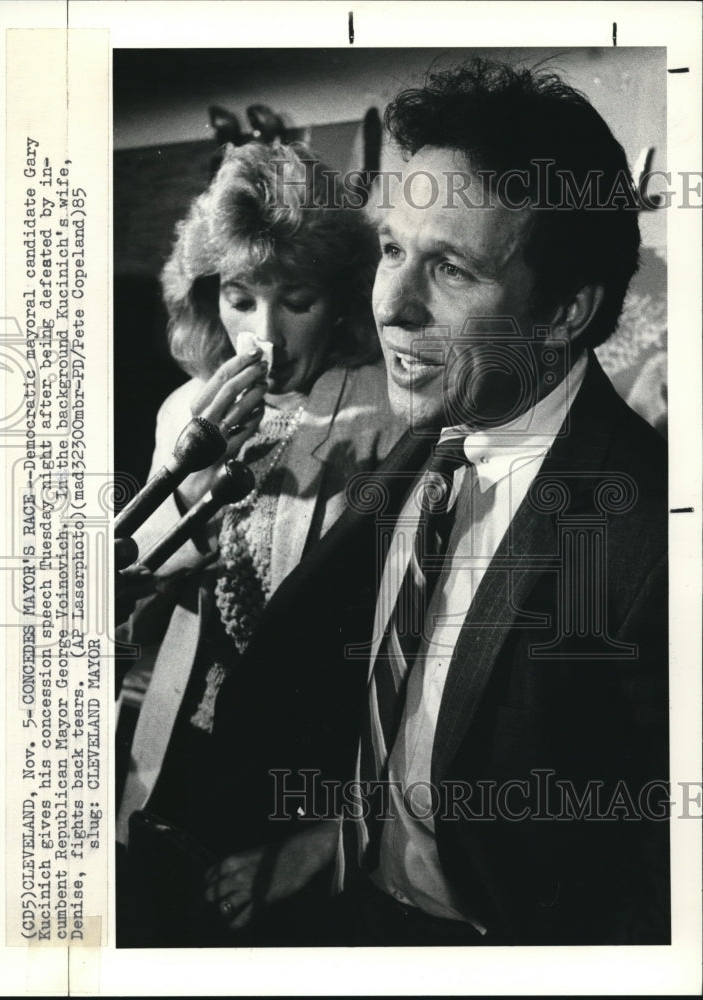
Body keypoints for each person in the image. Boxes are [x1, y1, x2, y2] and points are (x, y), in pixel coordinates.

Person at [204, 59, 669, 946]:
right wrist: (332, 841)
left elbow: (658, 909)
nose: (391, 305)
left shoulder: (651, 541)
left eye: (451, 269)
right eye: (390, 249)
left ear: (566, 309)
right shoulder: (438, 425)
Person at [115, 140, 404, 946]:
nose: (262, 336)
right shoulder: (185, 412)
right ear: (211, 299)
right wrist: (199, 476)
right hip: (184, 743)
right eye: (240, 300)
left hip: (313, 760)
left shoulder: (386, 414)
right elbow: (152, 576)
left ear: (343, 301)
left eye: (296, 300)